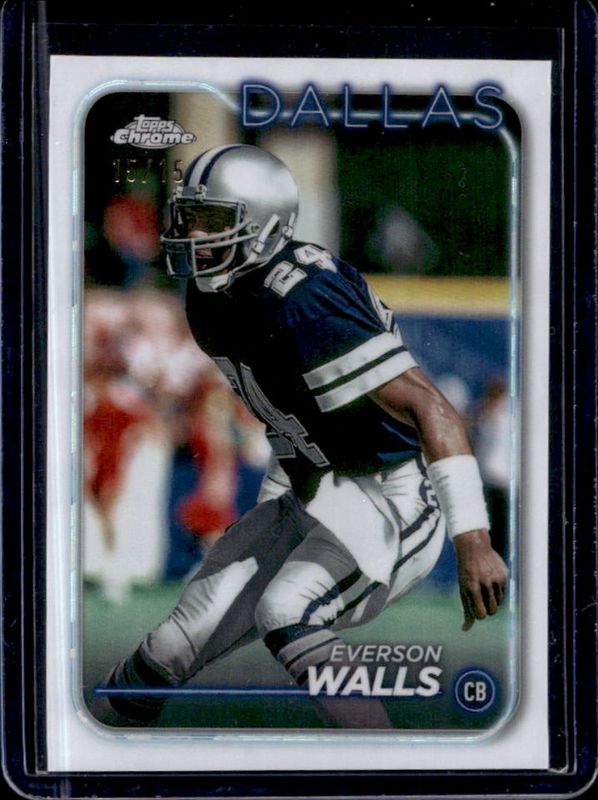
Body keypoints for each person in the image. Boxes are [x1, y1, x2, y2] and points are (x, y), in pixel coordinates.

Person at [91, 144, 508, 729]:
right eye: (188, 217)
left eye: (211, 219)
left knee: (287, 608)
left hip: (392, 494)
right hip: (309, 486)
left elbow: (430, 405)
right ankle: (95, 754)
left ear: (265, 223)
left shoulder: (304, 298)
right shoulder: (211, 297)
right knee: (173, 644)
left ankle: (384, 766)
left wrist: (474, 541)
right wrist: (274, 515)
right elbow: (291, 419)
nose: (192, 234)